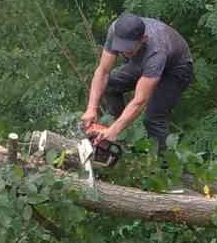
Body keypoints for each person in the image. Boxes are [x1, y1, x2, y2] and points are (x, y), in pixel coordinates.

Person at [82, 12, 194, 154]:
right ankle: (118, 138)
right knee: (111, 85)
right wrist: (91, 108)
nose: (123, 52)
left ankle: (164, 166)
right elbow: (103, 71)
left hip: (176, 70)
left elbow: (140, 101)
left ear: (143, 39)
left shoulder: (156, 50)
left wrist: (115, 129)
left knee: (153, 118)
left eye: (128, 48)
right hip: (143, 61)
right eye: (121, 47)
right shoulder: (116, 30)